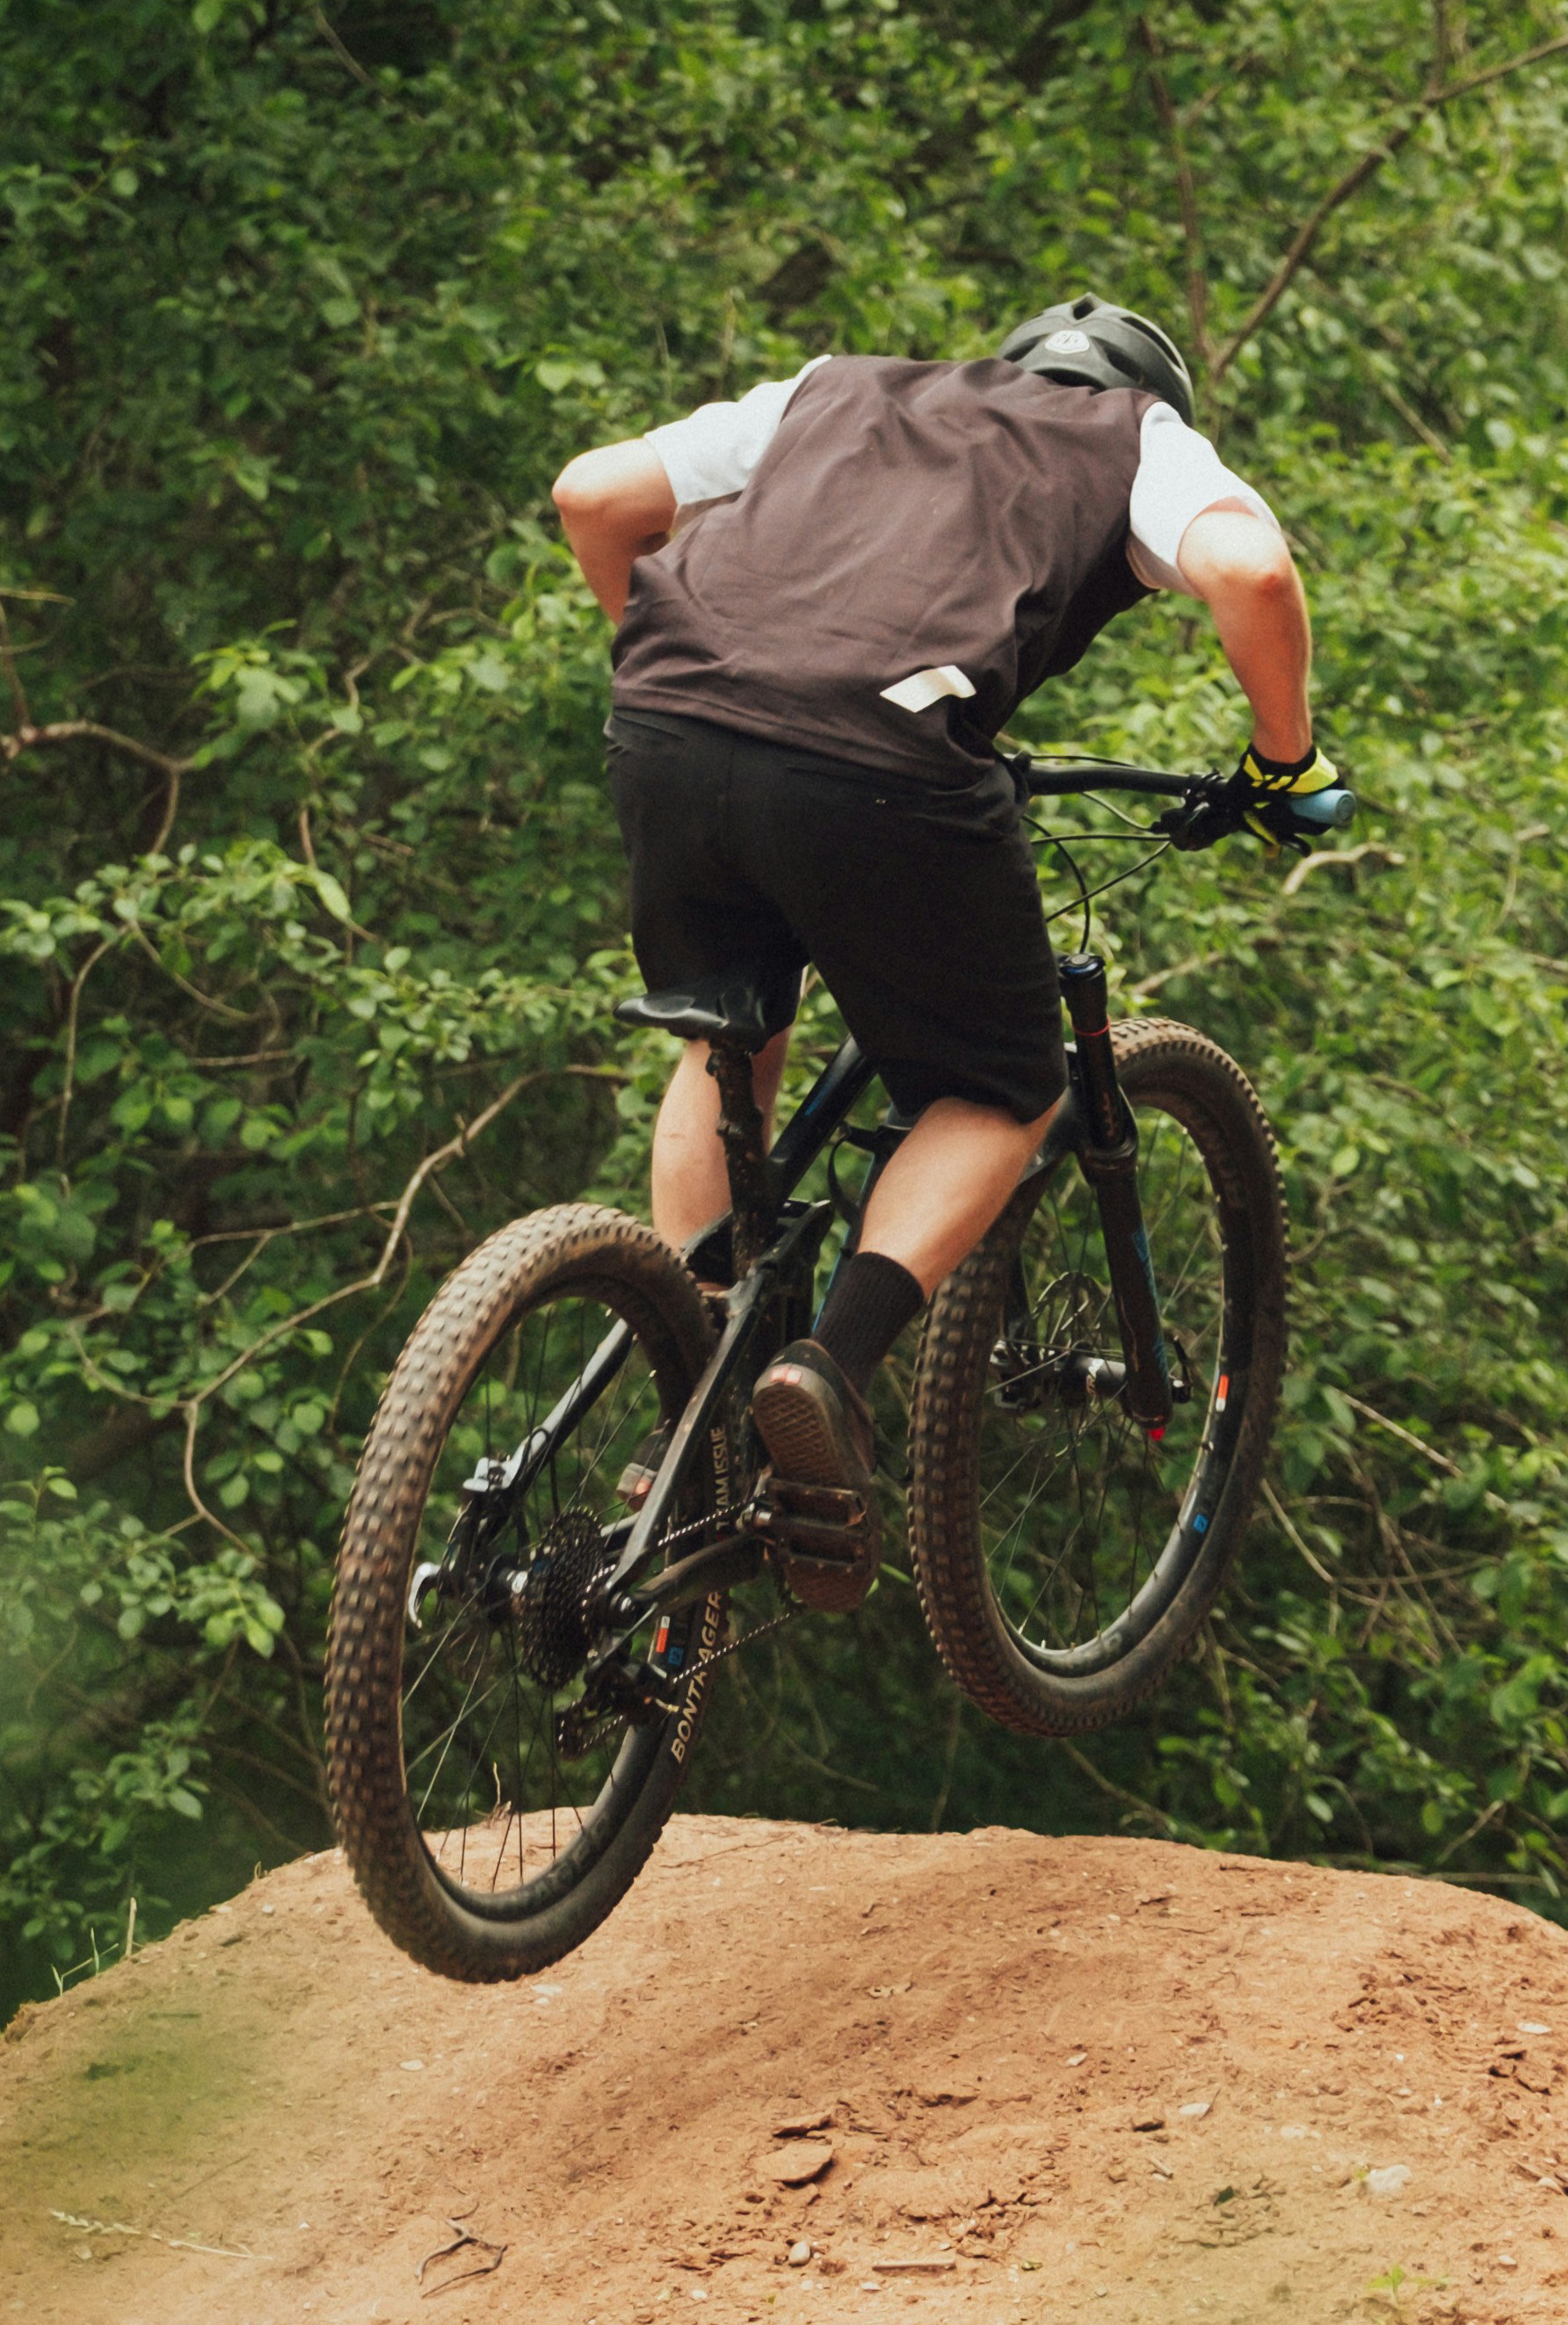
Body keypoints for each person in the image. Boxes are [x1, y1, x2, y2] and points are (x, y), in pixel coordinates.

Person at [548, 296, 1333, 1609]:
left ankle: (696, 1385)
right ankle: (828, 1366)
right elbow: (1251, 574)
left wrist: (703, 675)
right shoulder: (1136, 440)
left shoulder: (835, 384)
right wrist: (1284, 761)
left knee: (726, 1031)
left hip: (667, 719)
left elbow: (593, 495)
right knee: (1001, 1088)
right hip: (884, 765)